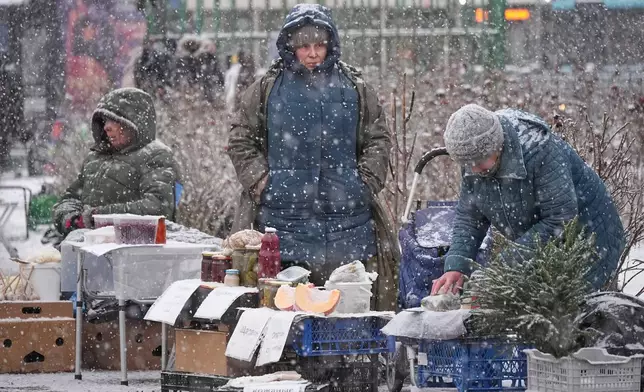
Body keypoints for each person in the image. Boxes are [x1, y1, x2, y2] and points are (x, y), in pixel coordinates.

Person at [227, 3, 399, 310]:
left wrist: (364, 183)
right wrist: (262, 182)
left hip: (349, 223)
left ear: (330, 44)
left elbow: (378, 138)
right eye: (304, 46)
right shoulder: (266, 89)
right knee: (286, 312)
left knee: (349, 312)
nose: (312, 53)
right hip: (282, 222)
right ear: (290, 47)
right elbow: (240, 139)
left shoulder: (355, 88)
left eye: (319, 45)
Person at [431, 104, 625, 295]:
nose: (473, 170)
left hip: (591, 241)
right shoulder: (474, 156)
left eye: (479, 162)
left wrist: (504, 266)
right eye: (467, 164)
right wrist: (456, 264)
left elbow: (560, 220)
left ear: (497, 146)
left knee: (581, 320)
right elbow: (470, 217)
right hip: (546, 249)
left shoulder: (538, 150)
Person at [51, 87, 179, 239]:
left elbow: (158, 208)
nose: (106, 127)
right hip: (90, 247)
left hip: (134, 253)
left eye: (113, 120)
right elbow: (69, 199)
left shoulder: (155, 156)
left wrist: (97, 218)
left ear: (134, 122)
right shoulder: (95, 158)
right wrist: (70, 219)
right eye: (104, 121)